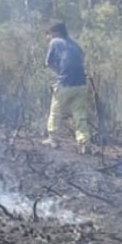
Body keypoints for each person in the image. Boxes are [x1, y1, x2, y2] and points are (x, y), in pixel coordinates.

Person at [44, 21, 91, 152]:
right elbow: (82, 56)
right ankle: (84, 142)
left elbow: (48, 63)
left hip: (65, 84)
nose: (48, 37)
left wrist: (59, 72)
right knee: (80, 115)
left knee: (55, 112)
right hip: (81, 84)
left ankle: (53, 139)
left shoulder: (55, 42)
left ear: (56, 32)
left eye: (49, 33)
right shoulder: (74, 44)